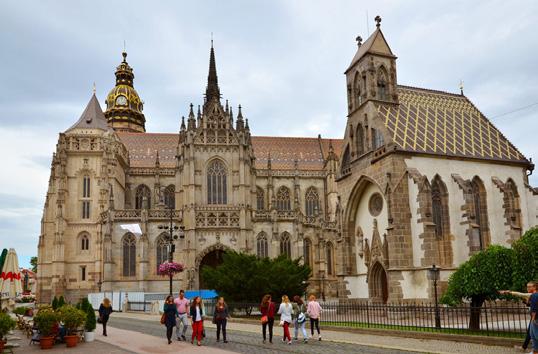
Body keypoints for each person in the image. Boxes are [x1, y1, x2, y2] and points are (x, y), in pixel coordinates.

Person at [500, 281, 537, 352]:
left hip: (535, 318)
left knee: (534, 335)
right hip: (534, 318)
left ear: (534, 287)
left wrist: (508, 292)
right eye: (527, 287)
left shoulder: (534, 295)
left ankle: (530, 349)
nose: (527, 288)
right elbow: (530, 304)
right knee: (531, 333)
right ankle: (526, 348)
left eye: (529, 287)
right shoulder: (532, 295)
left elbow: (520, 294)